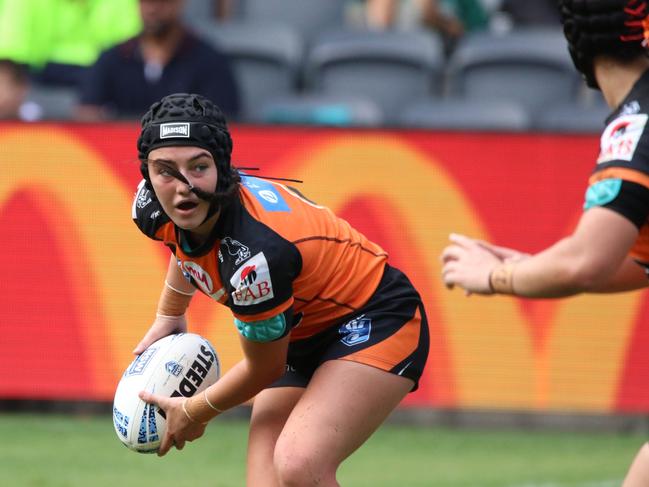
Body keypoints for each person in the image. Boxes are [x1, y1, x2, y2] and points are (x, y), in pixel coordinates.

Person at [131, 92, 429, 486]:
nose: (183, 187)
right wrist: (170, 313)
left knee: (298, 465)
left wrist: (195, 410)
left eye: (198, 167)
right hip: (301, 333)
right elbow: (183, 244)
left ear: (222, 167)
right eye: (165, 170)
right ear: (148, 174)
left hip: (376, 317)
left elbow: (265, 366)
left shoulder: (256, 255)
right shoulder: (151, 207)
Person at [440, 1, 649, 485]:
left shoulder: (636, 125)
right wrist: (539, 265)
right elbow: (635, 262)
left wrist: (495, 277)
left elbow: (587, 262)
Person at [76, 0, 240, 121]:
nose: (152, 9)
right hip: (119, 156)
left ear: (180, 3)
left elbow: (223, 121)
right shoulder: (113, 58)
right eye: (145, 2)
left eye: (161, 2)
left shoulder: (209, 60)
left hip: (183, 156)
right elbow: (88, 113)